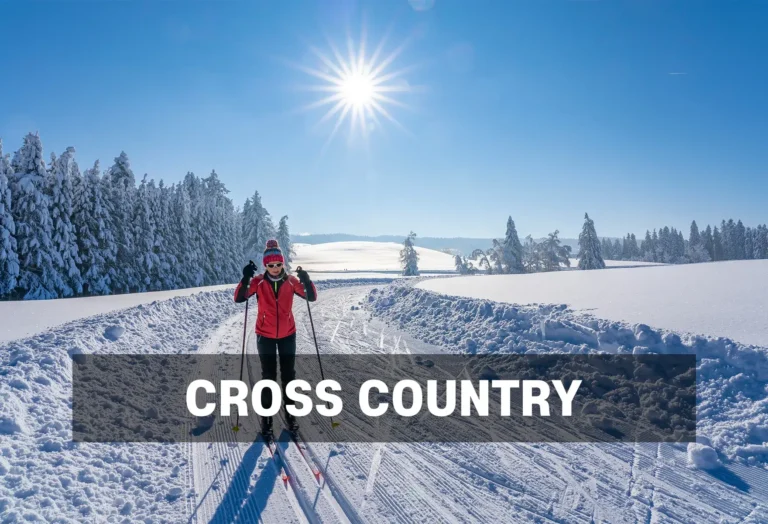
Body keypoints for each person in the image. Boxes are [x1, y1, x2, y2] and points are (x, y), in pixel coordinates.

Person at [234, 239, 317, 441]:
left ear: (282, 264)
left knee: (289, 376)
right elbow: (239, 297)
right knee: (268, 378)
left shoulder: (290, 281)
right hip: (265, 336)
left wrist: (306, 280)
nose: (274, 268)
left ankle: (291, 417)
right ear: (265, 265)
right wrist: (245, 278)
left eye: (278, 264)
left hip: (288, 334)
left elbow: (311, 297)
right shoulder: (258, 282)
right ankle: (267, 420)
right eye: (270, 265)